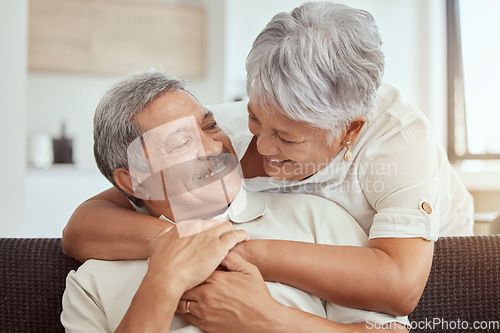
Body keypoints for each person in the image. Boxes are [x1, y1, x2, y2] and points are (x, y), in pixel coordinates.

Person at [62, 2, 474, 321]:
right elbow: (88, 223)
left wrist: (223, 249)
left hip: (430, 255)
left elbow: (399, 285)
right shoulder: (218, 133)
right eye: (256, 118)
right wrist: (180, 247)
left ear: (348, 131)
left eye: (287, 138)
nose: (263, 146)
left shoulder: (396, 141)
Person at [61, 71, 408, 332]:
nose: (215, 149)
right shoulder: (92, 282)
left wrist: (268, 320)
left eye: (211, 126)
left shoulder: (318, 220)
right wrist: (163, 282)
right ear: (133, 180)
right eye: (181, 143)